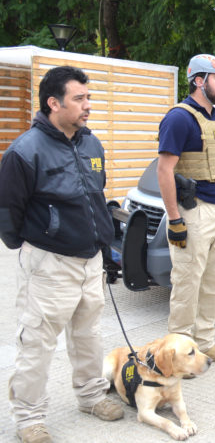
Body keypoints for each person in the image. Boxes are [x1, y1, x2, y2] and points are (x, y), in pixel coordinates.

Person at [0, 66, 124, 443]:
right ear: (54, 103)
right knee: (37, 342)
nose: (88, 105)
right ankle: (29, 419)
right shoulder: (25, 151)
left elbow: (97, 197)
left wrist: (105, 246)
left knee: (88, 334)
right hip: (50, 262)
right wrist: (39, 242)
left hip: (90, 261)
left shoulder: (91, 143)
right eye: (79, 98)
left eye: (89, 97)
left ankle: (90, 396)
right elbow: (8, 213)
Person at [157, 54, 215, 363]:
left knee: (214, 280)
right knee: (188, 282)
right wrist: (175, 218)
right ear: (199, 81)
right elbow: (165, 171)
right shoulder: (179, 117)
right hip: (194, 210)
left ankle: (205, 341)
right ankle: (178, 351)